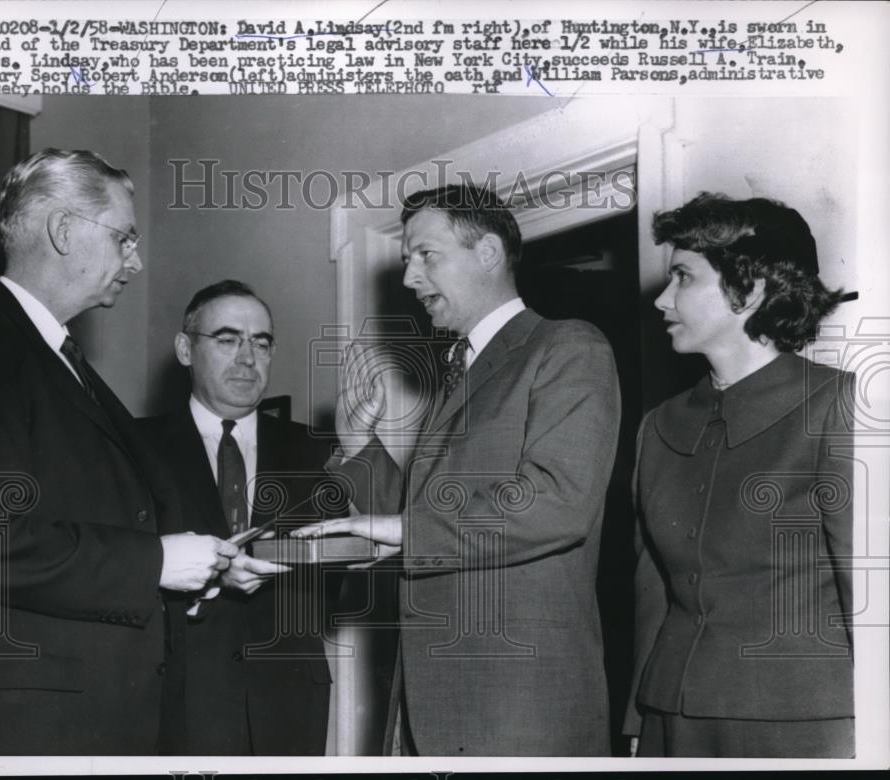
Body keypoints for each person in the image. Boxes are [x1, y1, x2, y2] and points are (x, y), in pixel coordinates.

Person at [0, 149, 237, 756]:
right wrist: (153, 564)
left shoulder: (59, 360)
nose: (137, 260)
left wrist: (202, 566)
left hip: (88, 716)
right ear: (64, 230)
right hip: (26, 731)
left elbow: (94, 516)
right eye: (124, 238)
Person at [294, 184, 621, 756]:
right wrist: (358, 449)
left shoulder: (567, 346)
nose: (409, 278)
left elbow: (558, 503)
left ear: (489, 252)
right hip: (432, 704)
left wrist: (407, 531)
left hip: (518, 710)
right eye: (406, 261)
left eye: (427, 256)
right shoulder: (458, 371)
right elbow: (424, 518)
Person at [624, 193, 854, 757]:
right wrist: (637, 721)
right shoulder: (658, 426)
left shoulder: (838, 407)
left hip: (803, 725)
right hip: (670, 721)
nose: (662, 298)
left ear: (748, 290)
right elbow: (652, 590)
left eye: (683, 277)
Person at [139, 280, 345, 755]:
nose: (248, 357)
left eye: (262, 342)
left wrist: (363, 447)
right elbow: (114, 574)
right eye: (228, 340)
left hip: (289, 702)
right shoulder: (132, 446)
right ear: (185, 349)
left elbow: (345, 574)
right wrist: (208, 580)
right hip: (176, 703)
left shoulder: (316, 450)